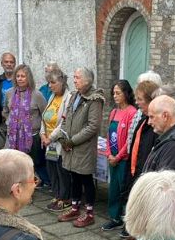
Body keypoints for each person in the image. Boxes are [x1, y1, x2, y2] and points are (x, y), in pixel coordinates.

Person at [51, 68, 104, 228]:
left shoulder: (95, 99)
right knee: (74, 177)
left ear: (87, 80)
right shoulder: (75, 95)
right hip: (70, 146)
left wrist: (72, 141)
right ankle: (74, 208)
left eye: (77, 77)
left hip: (83, 148)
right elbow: (66, 118)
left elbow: (93, 126)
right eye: (74, 77)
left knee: (85, 179)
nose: (74, 80)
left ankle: (89, 213)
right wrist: (63, 138)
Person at [119, 80, 160, 240]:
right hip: (135, 166)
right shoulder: (143, 119)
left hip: (145, 170)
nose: (136, 102)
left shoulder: (153, 124)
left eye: (140, 99)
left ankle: (142, 233)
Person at [2, 64, 47, 185]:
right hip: (12, 136)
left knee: (28, 166)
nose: (20, 78)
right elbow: (5, 110)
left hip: (31, 137)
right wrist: (11, 121)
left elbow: (45, 115)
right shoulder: (9, 93)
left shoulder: (37, 95)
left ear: (29, 78)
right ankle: (15, 188)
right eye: (18, 76)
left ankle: (27, 191)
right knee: (13, 163)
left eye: (23, 76)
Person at [101, 80, 137, 231]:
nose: (115, 96)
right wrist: (109, 153)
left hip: (123, 159)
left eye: (118, 93)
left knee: (124, 189)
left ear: (126, 94)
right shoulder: (114, 112)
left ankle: (126, 220)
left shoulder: (132, 113)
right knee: (113, 189)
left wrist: (118, 157)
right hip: (112, 158)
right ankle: (114, 217)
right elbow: (109, 135)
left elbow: (129, 140)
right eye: (113, 93)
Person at [40, 68, 71, 212]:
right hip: (49, 142)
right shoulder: (52, 96)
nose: (50, 86)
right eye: (49, 83)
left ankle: (65, 198)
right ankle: (57, 195)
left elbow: (63, 123)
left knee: (61, 170)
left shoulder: (68, 98)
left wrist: (50, 138)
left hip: (58, 142)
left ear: (61, 82)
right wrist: (42, 134)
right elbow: (44, 117)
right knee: (52, 169)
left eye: (52, 82)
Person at [142, 95, 175, 179]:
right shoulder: (173, 141)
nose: (149, 122)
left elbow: (166, 185)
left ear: (165, 116)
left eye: (152, 117)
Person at [0, 52, 17, 150]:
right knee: (0, 148)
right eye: (6, 62)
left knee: (14, 149)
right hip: (1, 120)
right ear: (2, 64)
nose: (9, 64)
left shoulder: (18, 80)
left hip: (16, 120)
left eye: (11, 62)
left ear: (14, 64)